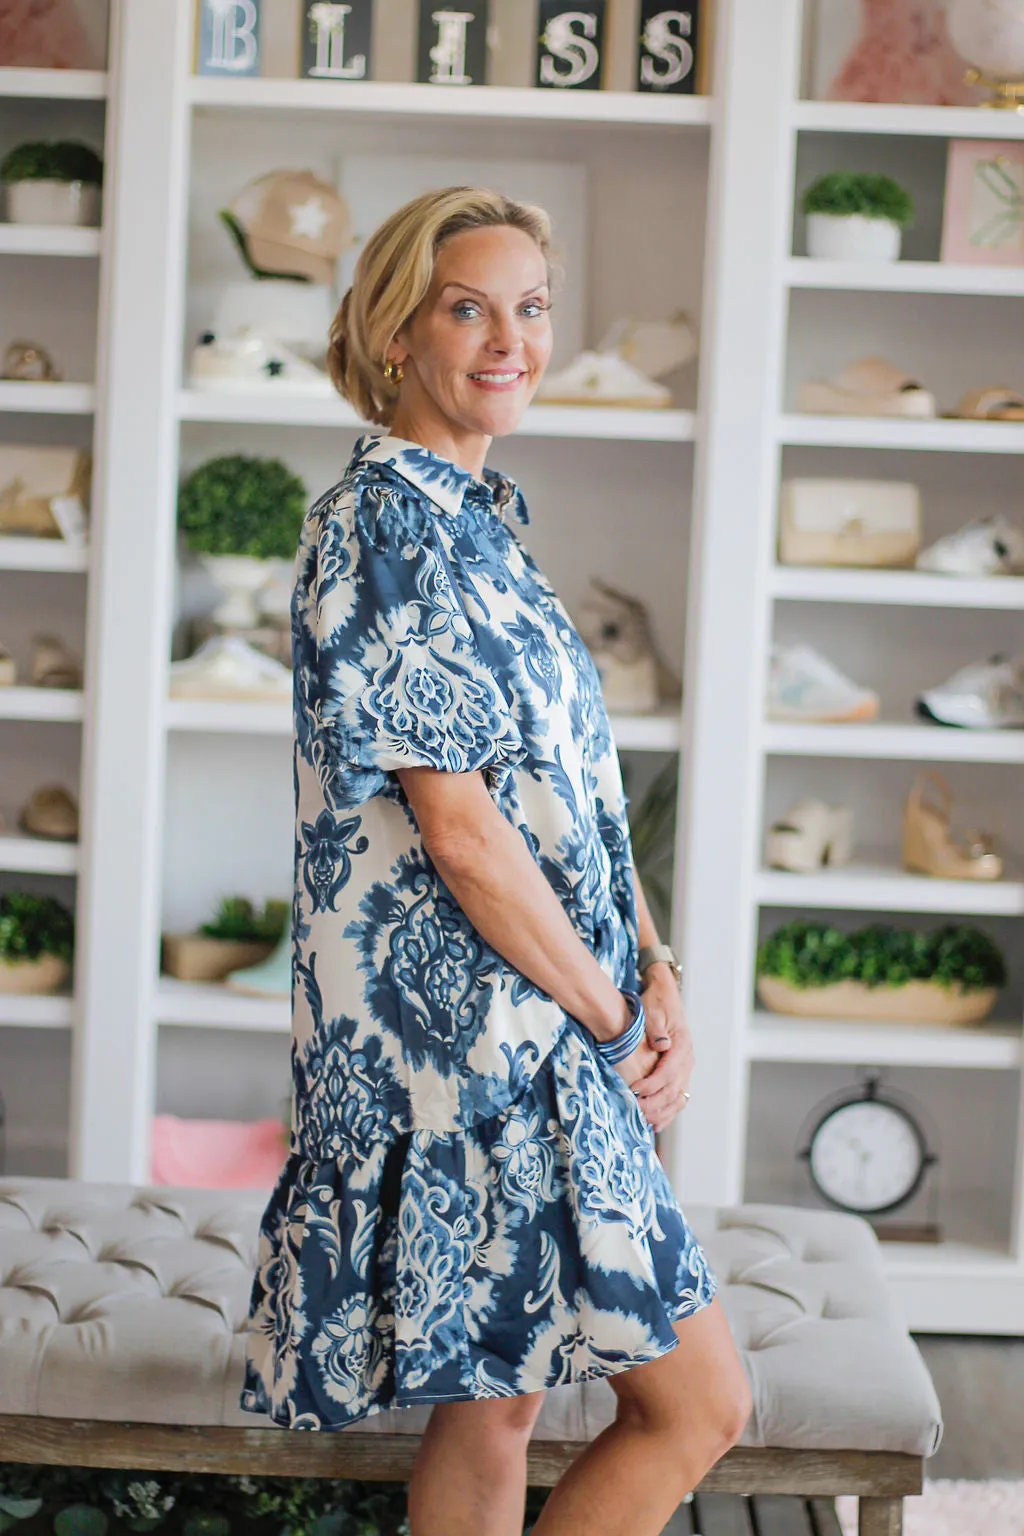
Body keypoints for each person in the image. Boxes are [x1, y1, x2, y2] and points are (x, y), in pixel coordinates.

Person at [240, 186, 751, 1536]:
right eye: (470, 306)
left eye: (530, 308)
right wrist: (612, 1009)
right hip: (481, 1048)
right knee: (688, 1404)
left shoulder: (484, 530)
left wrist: (659, 969)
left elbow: (573, 798)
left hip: (554, 1022)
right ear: (399, 330)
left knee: (504, 1407)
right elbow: (462, 831)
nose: (509, 339)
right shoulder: (381, 526)